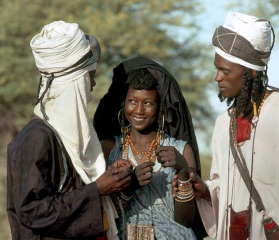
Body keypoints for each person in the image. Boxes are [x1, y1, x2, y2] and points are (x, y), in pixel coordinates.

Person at [172, 12, 279, 239]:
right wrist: (205, 191)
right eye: (217, 69)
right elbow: (226, 190)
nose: (217, 78)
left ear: (250, 73)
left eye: (225, 71)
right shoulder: (223, 123)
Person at [6, 21, 131, 239]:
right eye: (89, 78)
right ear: (75, 83)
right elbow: (33, 213)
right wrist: (97, 189)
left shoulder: (62, 135)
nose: (92, 87)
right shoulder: (36, 138)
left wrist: (109, 176)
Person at [93, 57, 202, 240]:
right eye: (132, 101)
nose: (139, 110)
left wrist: (183, 171)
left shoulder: (181, 150)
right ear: (123, 104)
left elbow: (185, 220)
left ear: (159, 108)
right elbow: (99, 210)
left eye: (148, 103)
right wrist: (129, 185)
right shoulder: (109, 149)